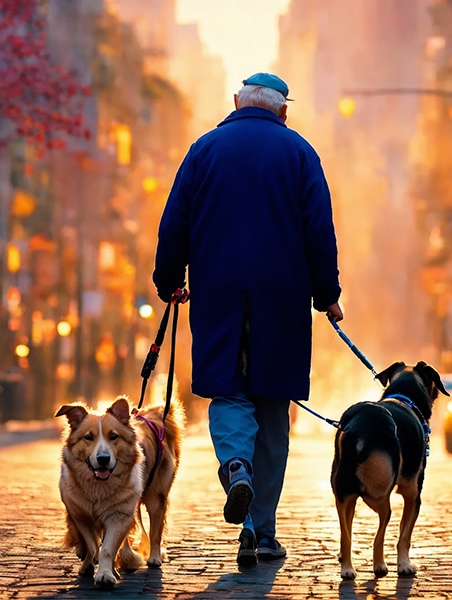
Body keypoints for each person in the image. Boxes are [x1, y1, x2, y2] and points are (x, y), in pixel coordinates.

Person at [153, 72, 343, 566]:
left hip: (219, 294)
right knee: (273, 410)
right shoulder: (300, 153)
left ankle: (235, 467)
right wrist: (328, 295)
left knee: (229, 393)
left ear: (236, 103)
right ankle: (261, 530)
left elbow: (175, 222)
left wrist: (168, 280)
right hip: (282, 299)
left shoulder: (204, 150)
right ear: (284, 111)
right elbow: (319, 230)